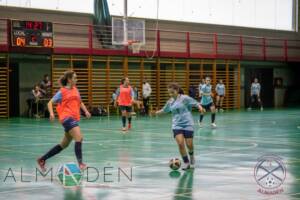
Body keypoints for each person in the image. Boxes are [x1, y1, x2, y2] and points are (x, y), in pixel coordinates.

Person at [37, 70, 91, 171]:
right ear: (69, 80)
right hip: (67, 118)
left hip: (74, 118)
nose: (77, 80)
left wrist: (86, 111)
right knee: (79, 138)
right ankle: (81, 163)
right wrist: (52, 113)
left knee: (64, 145)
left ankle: (42, 159)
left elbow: (80, 102)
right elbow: (49, 103)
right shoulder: (62, 91)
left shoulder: (75, 89)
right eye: (75, 78)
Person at [155, 83, 202, 170]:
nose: (171, 94)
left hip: (188, 123)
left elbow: (195, 103)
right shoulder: (170, 101)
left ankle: (191, 156)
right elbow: (165, 110)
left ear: (177, 90)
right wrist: (157, 112)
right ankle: (186, 162)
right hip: (176, 125)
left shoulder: (185, 98)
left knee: (189, 144)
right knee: (180, 143)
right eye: (169, 93)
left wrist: (200, 108)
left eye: (172, 92)